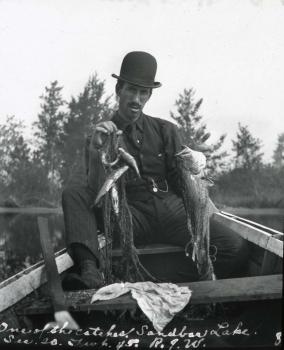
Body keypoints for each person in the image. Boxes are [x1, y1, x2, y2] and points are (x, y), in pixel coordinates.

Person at [62, 51, 248, 290]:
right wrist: (96, 150)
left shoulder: (166, 130)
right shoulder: (99, 135)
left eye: (143, 92)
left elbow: (184, 181)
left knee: (235, 248)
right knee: (73, 192)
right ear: (119, 90)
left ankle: (163, 283)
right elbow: (96, 191)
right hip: (129, 216)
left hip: (171, 211)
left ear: (149, 95)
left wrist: (199, 200)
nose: (137, 99)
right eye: (131, 90)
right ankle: (89, 270)